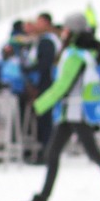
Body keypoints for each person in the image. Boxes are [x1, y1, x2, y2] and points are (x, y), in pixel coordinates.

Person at [19, 12, 100, 201]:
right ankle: (43, 198)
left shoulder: (74, 56)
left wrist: (39, 105)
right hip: (71, 112)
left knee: (91, 154)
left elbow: (62, 86)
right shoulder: (82, 54)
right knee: (54, 154)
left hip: (75, 112)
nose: (62, 32)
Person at [24, 12, 59, 157]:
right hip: (44, 83)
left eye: (39, 22)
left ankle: (46, 152)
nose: (36, 25)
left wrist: (28, 70)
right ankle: (45, 151)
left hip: (45, 84)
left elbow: (44, 64)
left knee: (45, 120)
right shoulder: (42, 40)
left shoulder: (47, 41)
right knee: (43, 120)